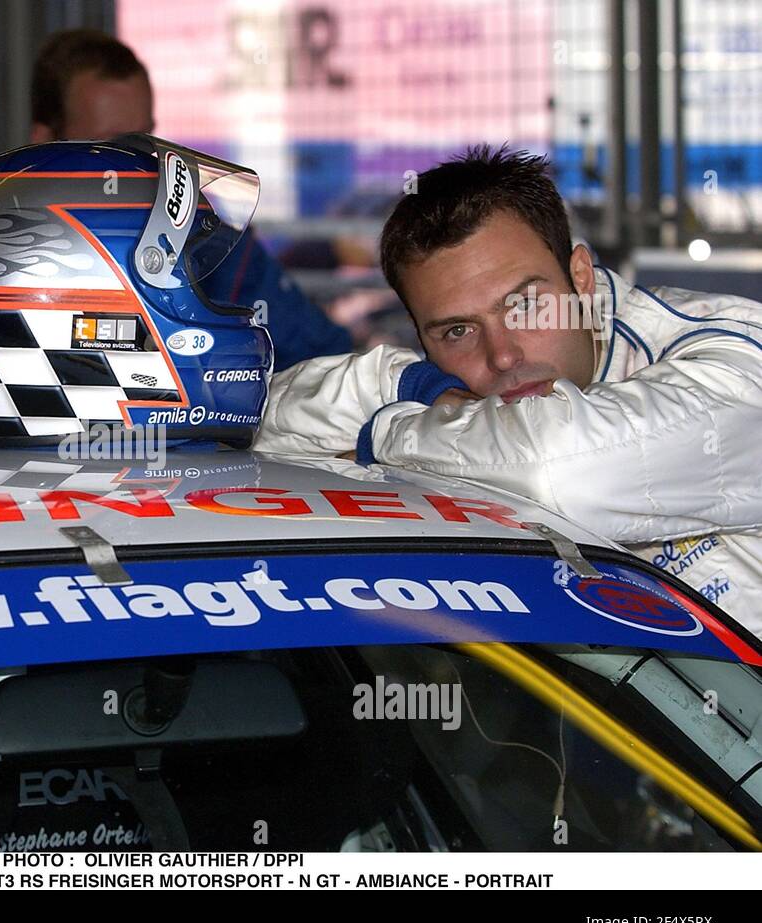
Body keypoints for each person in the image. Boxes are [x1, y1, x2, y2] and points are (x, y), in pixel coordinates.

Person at [255, 144, 762, 636]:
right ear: (421, 337)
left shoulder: (732, 355)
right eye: (457, 331)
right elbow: (256, 427)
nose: (502, 355)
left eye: (525, 304)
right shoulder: (442, 393)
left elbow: (558, 470)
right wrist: (410, 384)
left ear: (581, 278)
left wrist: (385, 437)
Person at [29, 29, 353, 372]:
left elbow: (328, 362)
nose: (138, 158)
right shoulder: (9, 247)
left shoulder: (202, 239)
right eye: (114, 145)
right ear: (44, 142)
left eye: (145, 138)